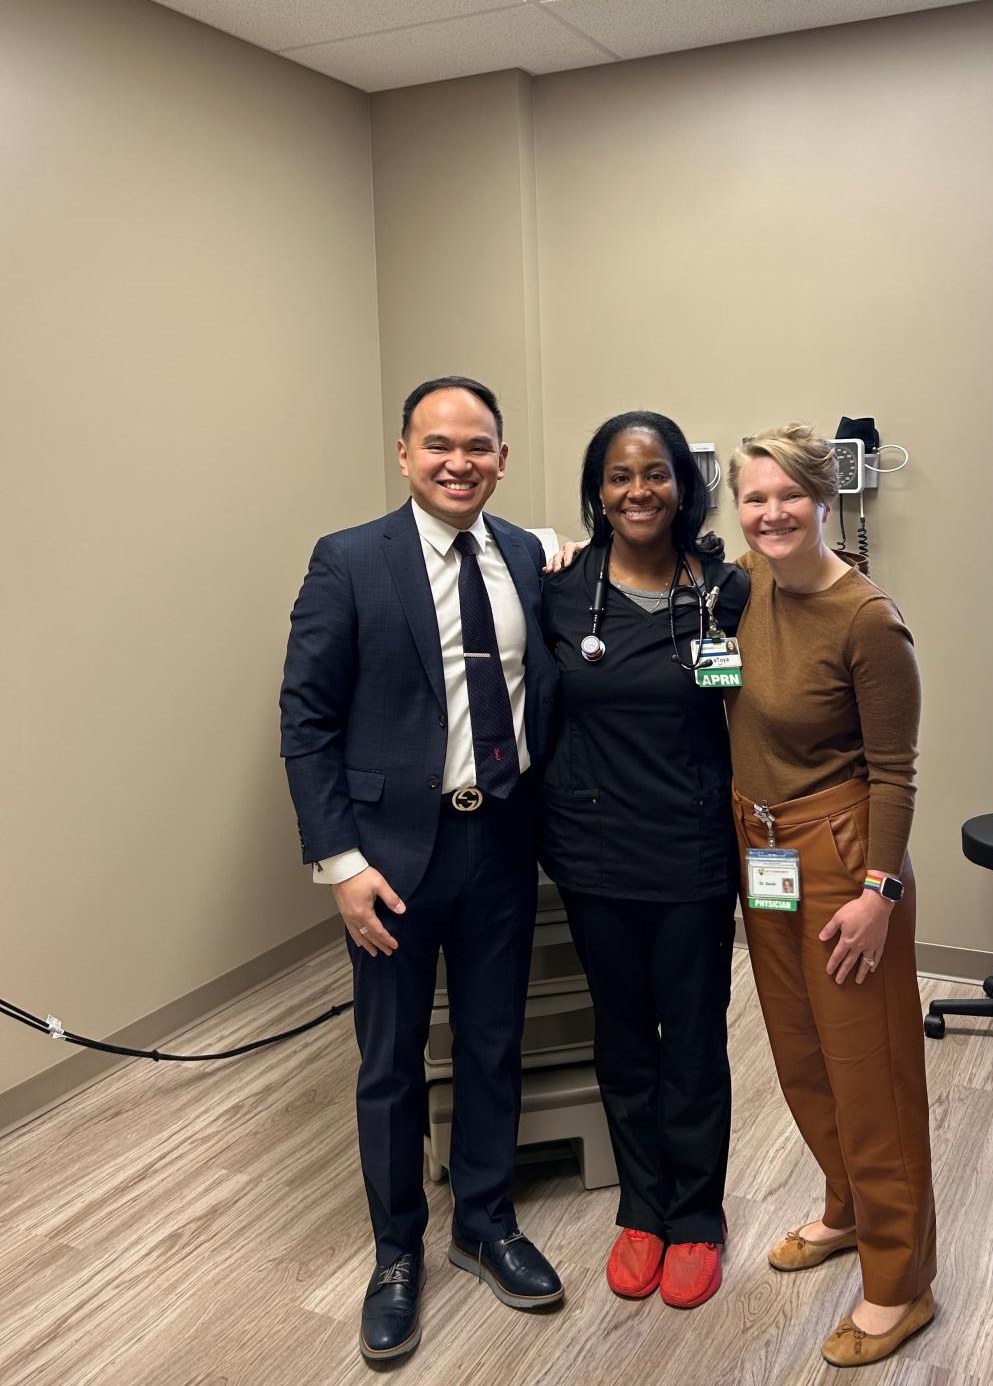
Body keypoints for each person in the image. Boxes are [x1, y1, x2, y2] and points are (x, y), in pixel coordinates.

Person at [279, 376, 563, 1366]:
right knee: (393, 1064)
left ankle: (483, 1220)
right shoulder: (351, 560)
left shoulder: (528, 555)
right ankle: (395, 1254)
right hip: (390, 859)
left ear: (501, 458)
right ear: (404, 452)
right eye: (439, 444)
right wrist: (341, 863)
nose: (459, 462)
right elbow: (306, 718)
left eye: (478, 446)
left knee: (491, 1045)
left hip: (501, 844)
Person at [726, 422, 936, 1370]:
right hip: (760, 847)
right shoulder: (748, 584)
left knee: (872, 1071)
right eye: (753, 497)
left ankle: (901, 1284)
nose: (770, 513)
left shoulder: (867, 621)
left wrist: (880, 893)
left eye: (787, 497)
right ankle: (846, 1209)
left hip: (842, 855)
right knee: (801, 1048)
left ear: (823, 500)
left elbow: (895, 772)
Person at [539, 412, 749, 1310]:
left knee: (695, 1039)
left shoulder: (727, 591)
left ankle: (697, 1216)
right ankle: (641, 1208)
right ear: (597, 490)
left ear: (681, 484)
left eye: (655, 474)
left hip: (693, 850)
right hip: (592, 853)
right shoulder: (557, 586)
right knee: (623, 1039)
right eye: (619, 476)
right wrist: (542, 542)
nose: (637, 491)